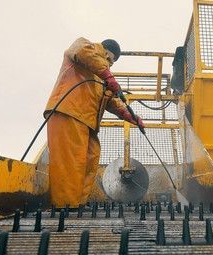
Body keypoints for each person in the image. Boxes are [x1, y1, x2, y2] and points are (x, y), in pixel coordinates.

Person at [44, 37, 144, 209]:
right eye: (108, 58)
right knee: (70, 162)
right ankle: (65, 205)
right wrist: (108, 75)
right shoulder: (84, 47)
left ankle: (78, 203)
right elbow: (83, 52)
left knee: (90, 158)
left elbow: (109, 100)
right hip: (68, 112)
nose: (108, 64)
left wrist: (128, 115)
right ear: (102, 50)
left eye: (111, 63)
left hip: (86, 122)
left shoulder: (99, 78)